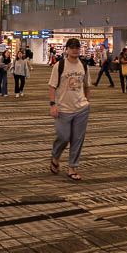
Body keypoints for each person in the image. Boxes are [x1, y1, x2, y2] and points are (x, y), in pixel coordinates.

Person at [48, 38, 90, 181]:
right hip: (63, 109)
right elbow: (52, 86)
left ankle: (72, 167)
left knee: (77, 139)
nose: (75, 50)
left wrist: (87, 101)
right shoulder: (59, 66)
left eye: (77, 47)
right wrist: (53, 104)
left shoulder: (84, 66)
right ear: (67, 49)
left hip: (81, 109)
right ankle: (55, 156)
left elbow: (87, 85)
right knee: (64, 137)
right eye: (72, 47)